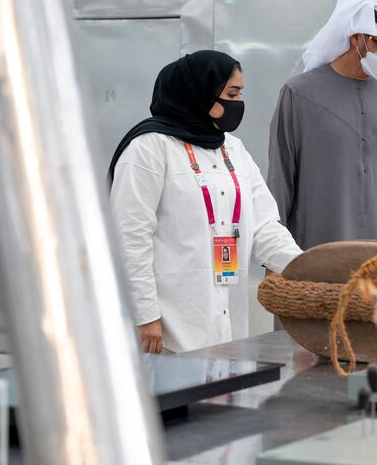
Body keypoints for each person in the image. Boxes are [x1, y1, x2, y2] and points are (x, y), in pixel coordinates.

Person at [109, 50, 302, 354]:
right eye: (231, 93)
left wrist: (307, 269)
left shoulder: (233, 149)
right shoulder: (149, 148)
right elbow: (129, 236)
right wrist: (145, 315)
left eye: (239, 94)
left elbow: (264, 226)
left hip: (226, 324)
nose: (237, 103)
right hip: (167, 329)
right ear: (199, 92)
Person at [267, 0, 377, 250]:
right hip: (316, 261)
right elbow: (280, 180)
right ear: (356, 37)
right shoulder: (299, 94)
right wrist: (274, 254)